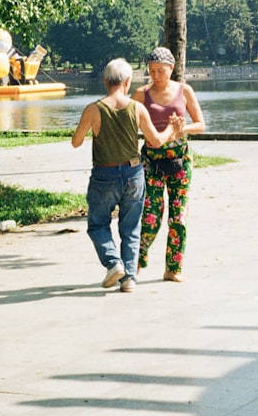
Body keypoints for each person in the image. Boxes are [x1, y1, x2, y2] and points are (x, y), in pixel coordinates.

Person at [72, 58, 182, 293]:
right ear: (128, 81)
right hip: (134, 173)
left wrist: (94, 129)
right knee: (130, 228)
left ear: (105, 81)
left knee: (98, 224)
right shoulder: (137, 107)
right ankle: (129, 279)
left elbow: (76, 141)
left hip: (104, 173)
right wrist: (172, 130)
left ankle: (113, 263)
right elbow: (155, 140)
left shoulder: (94, 108)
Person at [131, 47, 206, 282]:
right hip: (151, 161)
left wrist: (181, 128)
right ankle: (138, 260)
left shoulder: (185, 91)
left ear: (171, 69)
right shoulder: (141, 94)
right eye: (152, 71)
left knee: (178, 216)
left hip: (180, 160)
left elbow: (201, 124)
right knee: (151, 215)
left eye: (161, 71)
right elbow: (128, 125)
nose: (156, 76)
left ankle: (173, 267)